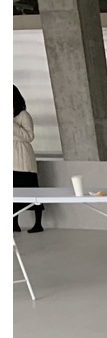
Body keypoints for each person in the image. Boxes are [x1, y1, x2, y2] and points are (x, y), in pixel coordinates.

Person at [13, 85, 44, 233]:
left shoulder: (23, 115)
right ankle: (14, 223)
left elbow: (29, 136)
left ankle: (38, 224)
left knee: (32, 191)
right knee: (12, 192)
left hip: (23, 158)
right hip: (10, 159)